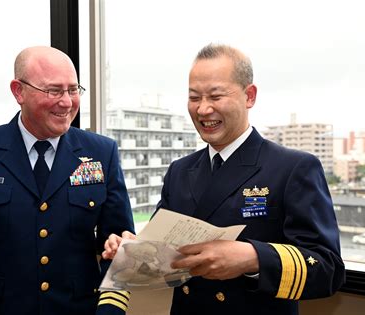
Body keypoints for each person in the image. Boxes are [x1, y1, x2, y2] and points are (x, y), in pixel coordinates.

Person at [103, 43, 345, 314]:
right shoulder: (180, 171)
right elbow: (165, 256)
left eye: (216, 96)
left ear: (249, 96)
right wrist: (133, 249)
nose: (203, 109)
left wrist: (252, 258)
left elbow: (327, 270)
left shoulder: (292, 168)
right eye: (194, 98)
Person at [0, 46, 134, 315]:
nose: (67, 102)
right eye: (53, 91)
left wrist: (109, 311)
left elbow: (119, 244)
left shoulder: (100, 153)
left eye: (73, 90)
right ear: (18, 91)